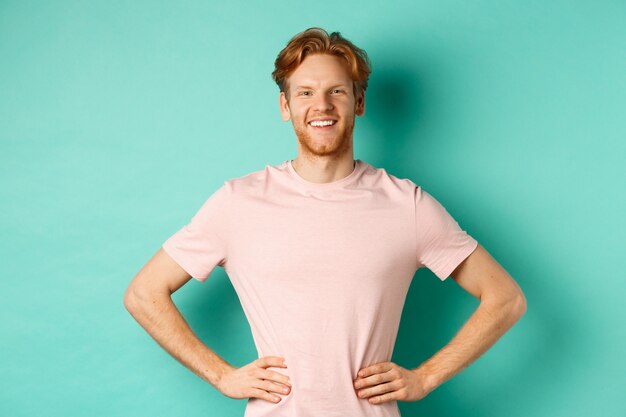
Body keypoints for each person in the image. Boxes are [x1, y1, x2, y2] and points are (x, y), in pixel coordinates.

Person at [124, 27, 527, 417]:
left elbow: (505, 299)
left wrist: (426, 377)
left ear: (359, 101)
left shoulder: (408, 205)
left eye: (337, 91)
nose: (323, 105)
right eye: (305, 93)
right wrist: (222, 376)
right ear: (286, 107)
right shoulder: (238, 202)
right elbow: (144, 294)